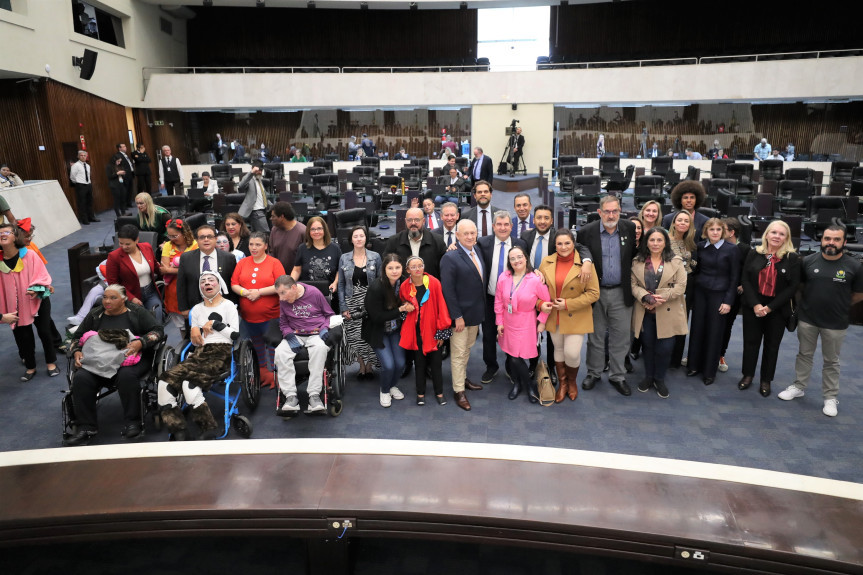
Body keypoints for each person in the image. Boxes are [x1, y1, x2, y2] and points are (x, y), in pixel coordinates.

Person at [63, 284, 164, 446]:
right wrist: (77, 350)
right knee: (81, 377)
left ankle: (133, 422)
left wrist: (141, 342)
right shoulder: (96, 314)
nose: (107, 301)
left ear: (123, 299)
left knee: (126, 376)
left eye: (112, 298)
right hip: (100, 360)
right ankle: (86, 427)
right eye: (104, 297)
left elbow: (158, 331)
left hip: (131, 358)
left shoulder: (137, 312)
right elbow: (78, 336)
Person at [778, 225, 863, 416]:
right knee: (804, 354)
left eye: (836, 239)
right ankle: (799, 386)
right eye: (827, 239)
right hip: (808, 319)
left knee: (831, 361)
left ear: (844, 242)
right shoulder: (807, 261)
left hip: (835, 322)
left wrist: (840, 305)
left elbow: (859, 294)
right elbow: (799, 287)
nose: (831, 243)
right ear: (821, 240)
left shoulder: (854, 266)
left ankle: (830, 397)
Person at [157, 272, 240, 441]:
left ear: (219, 284)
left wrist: (215, 324)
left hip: (221, 351)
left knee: (189, 384)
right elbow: (196, 343)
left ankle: (207, 427)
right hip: (200, 352)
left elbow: (235, 335)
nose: (207, 283)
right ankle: (178, 429)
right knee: (164, 383)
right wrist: (194, 331)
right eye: (203, 281)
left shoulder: (228, 305)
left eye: (211, 280)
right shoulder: (196, 309)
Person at [578, 195, 638, 396]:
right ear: (599, 212)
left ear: (620, 211)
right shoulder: (587, 232)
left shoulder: (629, 228)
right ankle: (593, 373)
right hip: (596, 293)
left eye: (615, 211)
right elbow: (580, 250)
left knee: (620, 337)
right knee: (595, 337)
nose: (611, 215)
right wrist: (586, 260)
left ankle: (617, 376)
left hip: (622, 292)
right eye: (607, 211)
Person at [738, 220, 800, 397]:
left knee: (772, 346)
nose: (777, 236)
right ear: (766, 234)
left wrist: (770, 308)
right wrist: (756, 305)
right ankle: (747, 375)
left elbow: (792, 287)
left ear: (786, 238)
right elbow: (745, 280)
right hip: (753, 306)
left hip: (777, 309)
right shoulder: (754, 253)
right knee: (750, 343)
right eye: (773, 232)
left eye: (781, 234)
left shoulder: (792, 258)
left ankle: (766, 379)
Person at [536, 230, 599, 402]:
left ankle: (572, 382)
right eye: (559, 244)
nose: (563, 247)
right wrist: (541, 304)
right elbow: (538, 291)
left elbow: (593, 293)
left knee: (571, 353)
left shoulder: (585, 264)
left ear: (574, 244)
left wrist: (568, 304)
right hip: (554, 315)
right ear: (554, 245)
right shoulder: (546, 262)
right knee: (559, 350)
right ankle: (563, 384)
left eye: (567, 243)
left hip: (575, 314)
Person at [631, 227, 688, 398]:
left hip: (667, 309)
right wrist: (646, 298)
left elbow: (681, 286)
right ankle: (649, 377)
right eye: (652, 240)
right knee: (648, 346)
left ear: (665, 242)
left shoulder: (676, 261)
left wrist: (660, 298)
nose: (655, 244)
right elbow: (633, 285)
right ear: (646, 242)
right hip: (645, 309)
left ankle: (660, 378)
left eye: (659, 240)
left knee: (665, 348)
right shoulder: (637, 261)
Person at [0, 222, 59, 380]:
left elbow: (45, 280)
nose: (2, 235)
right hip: (15, 305)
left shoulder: (29, 255)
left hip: (38, 300)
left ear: (15, 236)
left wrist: (37, 289)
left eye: (6, 232)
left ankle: (51, 363)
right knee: (22, 336)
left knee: (45, 331)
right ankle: (30, 367)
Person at [685, 218, 740, 385]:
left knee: (714, 332)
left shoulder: (732, 249)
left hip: (720, 295)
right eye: (711, 230)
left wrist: (728, 301)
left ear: (722, 231)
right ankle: (694, 365)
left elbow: (734, 277)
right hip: (701, 293)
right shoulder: (700, 247)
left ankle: (709, 371)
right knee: (697, 328)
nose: (715, 232)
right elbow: (695, 271)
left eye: (718, 229)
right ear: (706, 231)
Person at [494, 245, 550, 402]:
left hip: (527, 322)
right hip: (508, 321)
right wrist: (499, 322)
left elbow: (547, 302)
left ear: (526, 258)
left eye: (519, 257)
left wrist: (542, 322)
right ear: (509, 261)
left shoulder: (535, 279)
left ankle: (526, 384)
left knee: (520, 356)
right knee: (512, 356)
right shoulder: (503, 277)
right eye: (512, 258)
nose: (516, 260)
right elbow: (498, 301)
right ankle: (521, 384)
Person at [440, 220, 487, 411]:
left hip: (475, 313)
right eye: (465, 234)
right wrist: (456, 316)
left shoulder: (478, 251)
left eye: (473, 233)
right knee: (458, 353)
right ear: (457, 236)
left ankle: (463, 378)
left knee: (467, 349)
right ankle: (458, 390)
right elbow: (448, 291)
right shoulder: (450, 257)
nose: (469, 237)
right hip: (460, 316)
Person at [231, 231, 285, 389]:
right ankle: (262, 372)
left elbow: (280, 285)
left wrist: (258, 292)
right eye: (251, 244)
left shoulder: (274, 263)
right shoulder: (242, 263)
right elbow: (234, 283)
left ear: (266, 246)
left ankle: (276, 373)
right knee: (257, 344)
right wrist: (244, 292)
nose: (253, 248)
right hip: (248, 316)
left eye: (258, 245)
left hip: (271, 315)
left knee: (273, 346)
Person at [273, 275, 334, 415]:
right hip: (295, 334)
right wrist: (289, 335)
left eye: (283, 293)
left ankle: (314, 395)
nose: (281, 298)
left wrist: (325, 328)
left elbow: (329, 315)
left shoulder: (314, 293)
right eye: (279, 294)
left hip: (315, 332)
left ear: (293, 288)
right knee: (280, 352)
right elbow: (283, 323)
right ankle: (290, 397)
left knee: (320, 349)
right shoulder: (284, 300)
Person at [478, 211, 526, 385]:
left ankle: (510, 366)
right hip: (490, 298)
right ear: (493, 226)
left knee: (511, 335)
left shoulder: (520, 244)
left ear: (511, 227)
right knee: (489, 334)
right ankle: (491, 366)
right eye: (499, 224)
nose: (503, 228)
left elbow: (527, 266)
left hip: (513, 301)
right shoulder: (483, 243)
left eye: (506, 224)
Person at [400, 255, 451, 406]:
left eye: (420, 266)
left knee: (436, 364)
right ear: (408, 270)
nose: (417, 269)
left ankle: (439, 392)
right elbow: (403, 307)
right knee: (419, 364)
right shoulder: (404, 286)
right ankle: (420, 393)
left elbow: (442, 307)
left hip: (433, 331)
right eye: (413, 267)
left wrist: (441, 331)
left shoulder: (434, 283)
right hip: (415, 332)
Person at [364, 253, 414, 406]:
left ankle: (392, 385)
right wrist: (401, 310)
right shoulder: (376, 287)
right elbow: (376, 316)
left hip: (396, 330)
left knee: (400, 363)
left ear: (403, 268)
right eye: (390, 268)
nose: (394, 271)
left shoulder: (405, 283)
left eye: (397, 267)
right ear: (383, 269)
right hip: (378, 331)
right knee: (389, 365)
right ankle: (384, 390)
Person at [338, 226, 382, 381]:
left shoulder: (375, 256)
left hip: (370, 301)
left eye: (361, 236)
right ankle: (361, 365)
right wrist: (343, 307)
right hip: (351, 300)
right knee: (355, 336)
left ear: (366, 238)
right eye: (355, 236)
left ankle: (369, 365)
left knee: (369, 334)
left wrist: (377, 305)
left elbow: (380, 282)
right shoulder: (344, 258)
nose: (358, 239)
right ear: (351, 239)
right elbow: (341, 284)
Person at [177, 224, 238, 323]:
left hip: (223, 308)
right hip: (195, 308)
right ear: (196, 240)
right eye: (202, 237)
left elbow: (232, 283)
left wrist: (234, 306)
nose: (206, 240)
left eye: (209, 237)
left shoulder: (228, 258)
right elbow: (181, 285)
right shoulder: (186, 258)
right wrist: (183, 308)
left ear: (215, 239)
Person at [106, 225, 161, 322]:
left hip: (151, 292)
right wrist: (131, 298)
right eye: (120, 243)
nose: (123, 247)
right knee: (140, 325)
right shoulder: (114, 256)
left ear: (136, 240)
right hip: (130, 295)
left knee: (157, 320)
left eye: (127, 244)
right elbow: (113, 283)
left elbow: (156, 267)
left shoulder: (147, 247)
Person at [718, 217, 750, 373]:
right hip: (715, 291)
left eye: (721, 229)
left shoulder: (745, 249)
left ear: (731, 232)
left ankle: (720, 354)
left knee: (726, 325)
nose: (717, 231)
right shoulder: (716, 245)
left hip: (733, 295)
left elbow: (748, 271)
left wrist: (743, 284)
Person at [667, 209, 698, 368]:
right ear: (674, 222)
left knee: (681, 321)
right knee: (666, 321)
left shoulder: (691, 243)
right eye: (680, 220)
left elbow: (695, 263)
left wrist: (684, 271)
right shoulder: (665, 240)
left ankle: (675, 359)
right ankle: (662, 356)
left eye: (686, 221)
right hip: (668, 286)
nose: (682, 223)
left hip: (687, 286)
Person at [291, 216, 341, 307]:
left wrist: (335, 283)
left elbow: (339, 270)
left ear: (325, 230)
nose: (316, 232)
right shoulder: (302, 248)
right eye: (313, 229)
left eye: (319, 229)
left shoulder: (335, 248)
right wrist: (291, 283)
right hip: (307, 295)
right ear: (308, 232)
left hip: (329, 294)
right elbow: (296, 270)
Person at [384, 207, 446, 279]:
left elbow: (444, 269)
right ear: (405, 221)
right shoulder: (394, 241)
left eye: (417, 220)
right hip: (402, 287)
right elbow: (386, 267)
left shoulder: (437, 241)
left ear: (423, 221)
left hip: (429, 287)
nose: (413, 223)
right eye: (409, 220)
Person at [159, 218, 197, 329]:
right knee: (181, 327)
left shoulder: (195, 245)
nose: (171, 239)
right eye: (169, 236)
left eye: (174, 236)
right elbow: (163, 268)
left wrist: (171, 270)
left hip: (191, 290)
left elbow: (194, 270)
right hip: (173, 291)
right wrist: (183, 269)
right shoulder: (168, 245)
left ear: (184, 233)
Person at [268, 202, 306, 273]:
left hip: (297, 278)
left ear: (282, 217)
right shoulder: (274, 230)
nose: (271, 218)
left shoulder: (302, 231)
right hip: (278, 276)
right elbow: (271, 252)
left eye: (273, 216)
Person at [237, 160, 270, 233]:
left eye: (261, 170)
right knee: (265, 233)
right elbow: (241, 186)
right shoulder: (249, 179)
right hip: (256, 211)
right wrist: (251, 172)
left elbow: (263, 196)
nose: (260, 172)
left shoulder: (259, 180)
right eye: (258, 170)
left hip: (263, 210)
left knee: (256, 235)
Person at [70, 150, 97, 225]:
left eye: (85, 155)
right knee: (82, 203)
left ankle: (91, 217)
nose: (83, 157)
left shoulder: (88, 166)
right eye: (81, 155)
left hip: (88, 185)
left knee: (90, 202)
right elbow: (72, 177)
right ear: (78, 156)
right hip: (80, 185)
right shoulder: (75, 165)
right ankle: (84, 219)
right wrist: (78, 183)